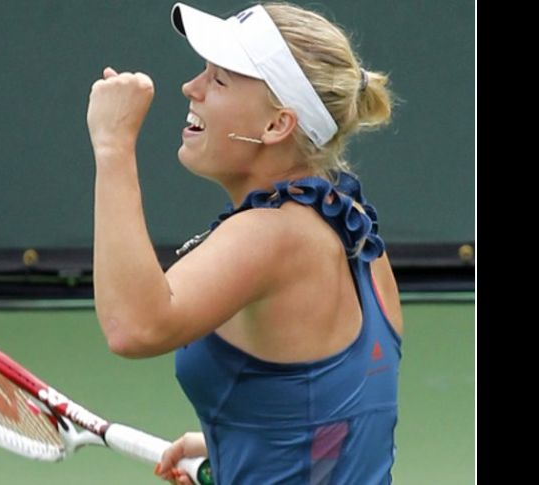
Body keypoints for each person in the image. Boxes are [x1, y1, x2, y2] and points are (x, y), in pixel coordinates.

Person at [87, 2, 402, 483]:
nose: (190, 87)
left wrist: (113, 148)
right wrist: (239, 449)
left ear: (277, 124)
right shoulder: (352, 224)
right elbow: (342, 413)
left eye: (219, 80)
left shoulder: (274, 234)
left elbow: (132, 327)